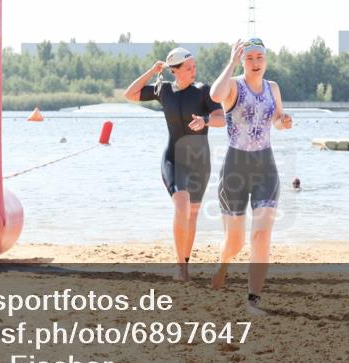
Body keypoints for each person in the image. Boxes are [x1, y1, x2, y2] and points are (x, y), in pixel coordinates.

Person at [124, 47, 225, 281]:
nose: (193, 71)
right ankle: (180, 266)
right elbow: (130, 94)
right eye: (188, 68)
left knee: (192, 214)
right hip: (173, 158)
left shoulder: (203, 92)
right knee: (181, 205)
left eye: (194, 67)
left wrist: (206, 120)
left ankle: (185, 263)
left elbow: (222, 119)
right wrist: (152, 70)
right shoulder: (164, 90)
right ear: (175, 71)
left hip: (199, 162)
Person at [209, 38, 293, 315]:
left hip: (265, 166)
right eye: (249, 59)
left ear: (266, 59)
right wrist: (231, 62)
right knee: (235, 242)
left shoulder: (273, 88)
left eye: (260, 57)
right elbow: (214, 95)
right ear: (242, 61)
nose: (255, 63)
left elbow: (277, 120)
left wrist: (284, 121)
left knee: (261, 233)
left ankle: (253, 298)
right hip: (236, 167)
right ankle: (223, 262)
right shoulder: (233, 85)